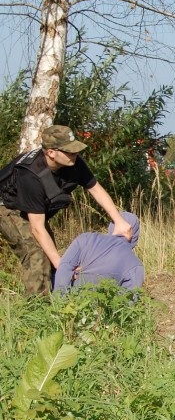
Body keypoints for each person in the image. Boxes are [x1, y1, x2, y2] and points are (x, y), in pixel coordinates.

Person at [0, 125, 133, 295]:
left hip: (32, 210)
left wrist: (119, 221)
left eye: (75, 149)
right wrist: (61, 265)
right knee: (37, 255)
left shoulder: (75, 162)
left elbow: (96, 190)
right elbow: (37, 228)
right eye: (69, 151)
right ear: (51, 153)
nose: (74, 154)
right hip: (8, 208)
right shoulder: (30, 176)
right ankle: (36, 310)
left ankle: (60, 299)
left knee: (51, 254)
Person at [54, 211, 143, 294]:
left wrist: (60, 302)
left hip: (73, 305)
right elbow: (129, 303)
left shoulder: (85, 239)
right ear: (134, 234)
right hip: (104, 308)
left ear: (111, 226)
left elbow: (64, 267)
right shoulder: (135, 265)